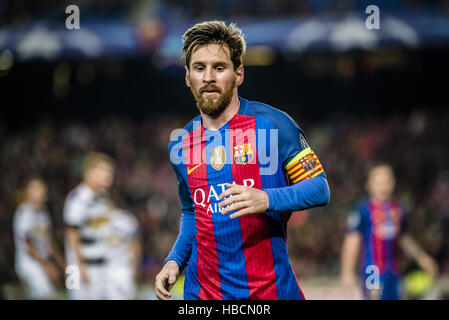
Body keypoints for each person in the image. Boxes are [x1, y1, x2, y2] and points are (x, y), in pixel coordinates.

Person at [155, 21, 330, 300]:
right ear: (188, 77)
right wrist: (175, 259)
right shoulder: (181, 142)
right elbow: (192, 212)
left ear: (239, 74)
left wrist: (266, 199)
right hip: (203, 294)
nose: (208, 76)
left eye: (219, 67)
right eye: (199, 68)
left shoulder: (274, 125)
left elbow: (319, 188)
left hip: (270, 292)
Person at [340, 163, 439, 300]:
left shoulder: (398, 209)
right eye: (379, 181)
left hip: (394, 270)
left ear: (393, 183)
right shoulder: (362, 210)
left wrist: (422, 258)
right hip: (372, 270)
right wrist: (347, 272)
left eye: (387, 180)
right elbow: (352, 240)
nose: (383, 185)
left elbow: (403, 237)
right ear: (369, 185)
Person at [63, 152, 115, 299]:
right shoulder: (77, 198)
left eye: (110, 172)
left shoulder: (103, 197)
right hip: (78, 267)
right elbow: (71, 234)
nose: (108, 176)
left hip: (100, 265)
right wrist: (80, 266)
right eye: (103, 170)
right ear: (88, 173)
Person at [13, 177, 65, 299]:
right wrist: (47, 266)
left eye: (42, 189)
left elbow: (49, 242)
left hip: (42, 261)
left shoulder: (43, 212)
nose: (41, 192)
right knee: (49, 296)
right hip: (29, 263)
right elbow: (28, 247)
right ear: (28, 192)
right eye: (36, 189)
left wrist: (60, 262)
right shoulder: (24, 212)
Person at [104, 207, 142, 300]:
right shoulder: (94, 218)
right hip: (106, 269)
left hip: (121, 268)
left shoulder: (125, 219)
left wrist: (135, 268)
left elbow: (135, 245)